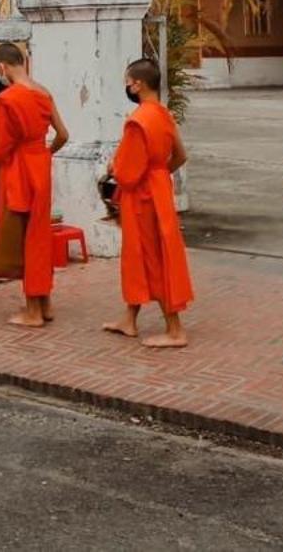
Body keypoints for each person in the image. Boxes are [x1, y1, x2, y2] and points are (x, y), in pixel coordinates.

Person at [105, 57, 192, 348]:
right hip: (158, 189)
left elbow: (128, 174)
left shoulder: (138, 121)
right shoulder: (163, 114)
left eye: (128, 82)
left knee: (152, 257)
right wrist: (159, 174)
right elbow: (180, 155)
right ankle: (129, 318)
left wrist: (113, 168)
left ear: (138, 84)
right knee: (144, 254)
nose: (127, 87)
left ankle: (175, 329)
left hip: (140, 196)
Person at [0, 40, 69, 328]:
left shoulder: (8, 99)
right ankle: (44, 303)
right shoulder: (43, 92)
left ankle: (32, 310)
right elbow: (63, 134)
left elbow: (0, 145)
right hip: (40, 164)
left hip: (19, 168)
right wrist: (44, 154)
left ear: (2, 67)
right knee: (39, 234)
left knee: (24, 236)